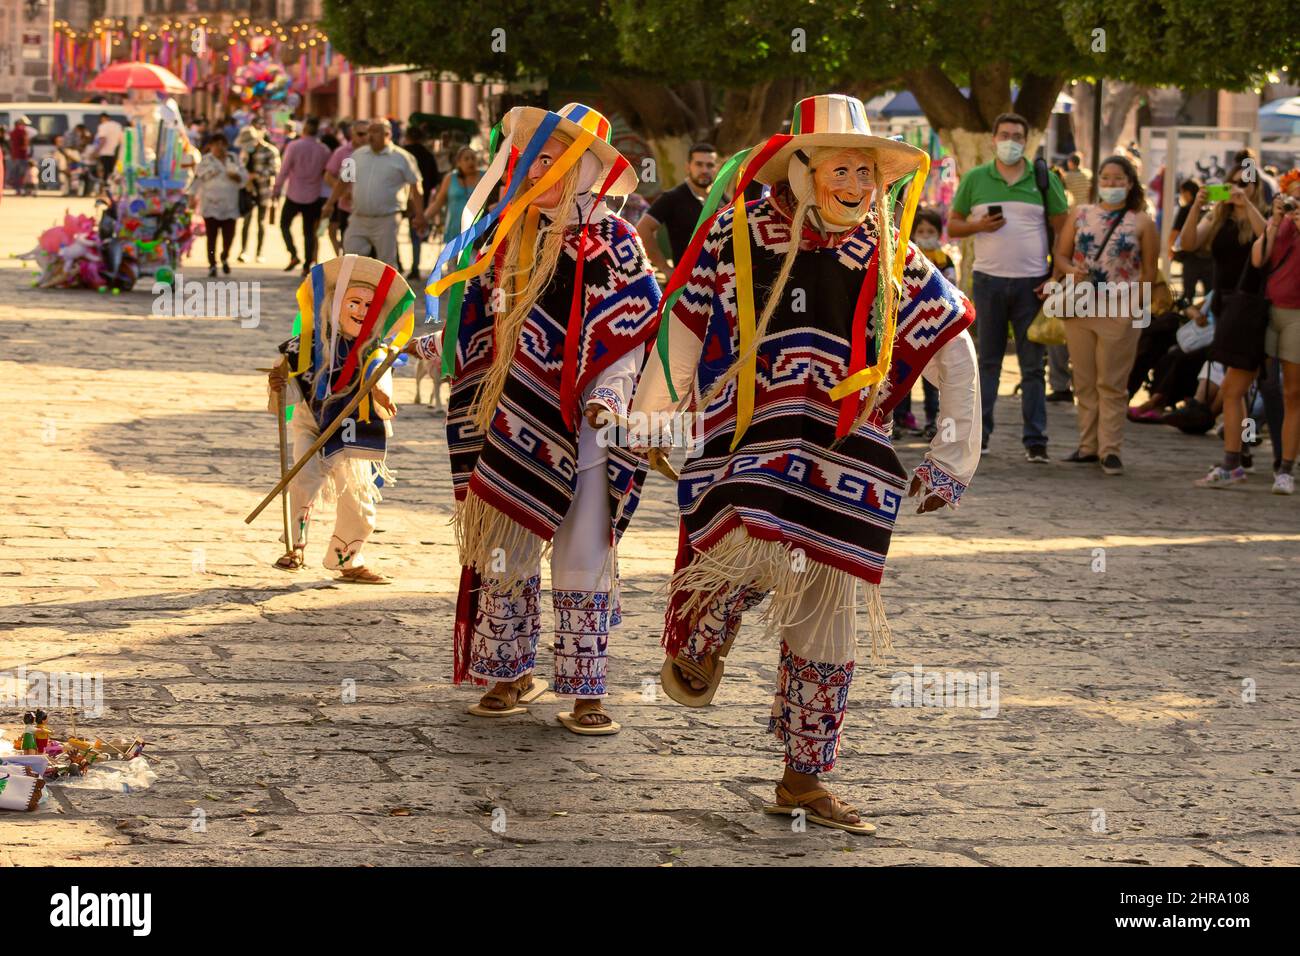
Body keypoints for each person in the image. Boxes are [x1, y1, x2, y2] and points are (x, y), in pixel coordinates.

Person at [633, 94, 979, 835]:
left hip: (846, 448)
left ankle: (805, 778)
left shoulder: (892, 255)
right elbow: (688, 318)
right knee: (748, 539)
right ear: (802, 169)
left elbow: (953, 345)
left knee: (829, 616)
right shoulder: (739, 236)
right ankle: (706, 625)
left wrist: (953, 456)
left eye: (866, 172)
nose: (855, 185)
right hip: (750, 432)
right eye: (840, 169)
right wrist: (656, 414)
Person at [408, 102, 660, 734]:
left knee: (582, 551)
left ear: (585, 169)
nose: (537, 168)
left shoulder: (618, 244)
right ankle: (505, 673)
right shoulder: (501, 236)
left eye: (552, 158)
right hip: (510, 417)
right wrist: (441, 347)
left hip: (587, 425)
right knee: (505, 546)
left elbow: (633, 333)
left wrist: (609, 393)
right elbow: (476, 317)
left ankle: (586, 690)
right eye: (533, 157)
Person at [266, 256, 415, 583]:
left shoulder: (375, 350)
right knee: (303, 478)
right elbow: (285, 389)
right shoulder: (306, 345)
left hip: (356, 431)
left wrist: (380, 393)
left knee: (359, 501)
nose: (362, 311)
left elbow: (379, 374)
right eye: (354, 302)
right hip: (313, 423)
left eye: (369, 305)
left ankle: (347, 559)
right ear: (335, 304)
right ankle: (294, 546)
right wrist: (277, 386)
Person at [948, 112, 1069, 462]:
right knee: (987, 362)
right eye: (1005, 134)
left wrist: (1055, 278)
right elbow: (953, 226)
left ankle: (1036, 441)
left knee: (1033, 367)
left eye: (1017, 135)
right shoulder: (975, 179)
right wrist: (979, 226)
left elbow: (1064, 230)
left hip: (1033, 285)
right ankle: (981, 436)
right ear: (993, 140)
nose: (1010, 141)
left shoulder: (1043, 179)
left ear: (1026, 140)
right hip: (988, 282)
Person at [1051, 155, 1158, 475]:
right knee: (1083, 380)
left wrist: (1135, 312)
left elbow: (1150, 271)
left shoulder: (1141, 221)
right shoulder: (1081, 214)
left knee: (1111, 382)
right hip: (1080, 305)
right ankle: (1088, 445)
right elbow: (1061, 255)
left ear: (1130, 183)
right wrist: (1072, 270)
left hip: (1119, 309)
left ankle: (1110, 449)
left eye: (1118, 179)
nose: (1111, 184)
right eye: (1106, 178)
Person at [1181, 160, 1271, 488]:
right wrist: (1196, 207)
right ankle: (1239, 450)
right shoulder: (1217, 217)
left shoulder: (1261, 215)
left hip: (1251, 306)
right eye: (1233, 183)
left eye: (1245, 183)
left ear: (1255, 187)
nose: (1238, 189)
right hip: (1224, 306)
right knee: (1237, 387)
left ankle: (1237, 454)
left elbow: (1270, 242)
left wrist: (1247, 205)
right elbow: (1188, 244)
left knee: (1241, 387)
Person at [1251, 174, 1300, 494]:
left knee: (1294, 392)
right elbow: (1258, 259)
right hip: (1268, 312)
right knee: (1265, 386)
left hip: (1297, 315)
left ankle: (1285, 468)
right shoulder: (1278, 224)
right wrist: (1273, 222)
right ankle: (1256, 451)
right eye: (1292, 198)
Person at [328, 120, 425, 268]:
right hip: (358, 218)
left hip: (386, 219)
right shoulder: (357, 155)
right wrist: (329, 204)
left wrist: (419, 214)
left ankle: (388, 291)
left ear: (387, 134)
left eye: (375, 132)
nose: (370, 136)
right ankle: (355, 290)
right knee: (350, 260)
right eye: (369, 132)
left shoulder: (402, 157)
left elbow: (416, 186)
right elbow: (343, 181)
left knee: (386, 264)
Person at [895, 206, 950, 437]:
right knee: (902, 372)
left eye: (931, 231)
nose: (926, 235)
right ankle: (899, 416)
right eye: (921, 230)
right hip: (906, 322)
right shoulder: (906, 257)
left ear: (939, 233)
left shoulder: (945, 260)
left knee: (932, 377)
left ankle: (932, 418)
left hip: (934, 325)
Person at [636, 143, 718, 275]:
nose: (704, 170)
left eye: (709, 165)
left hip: (720, 280)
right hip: (687, 283)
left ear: (716, 168)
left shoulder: (723, 198)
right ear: (688, 167)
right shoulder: (672, 198)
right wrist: (665, 268)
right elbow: (642, 229)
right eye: (699, 164)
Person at [274, 116, 332, 274]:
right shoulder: (323, 149)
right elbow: (327, 173)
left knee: (284, 224)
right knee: (309, 232)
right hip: (314, 194)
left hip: (294, 193)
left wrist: (277, 188)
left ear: (305, 128)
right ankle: (307, 265)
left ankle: (293, 254)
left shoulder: (294, 146)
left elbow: (284, 169)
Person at [187, 133, 248, 277]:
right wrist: (191, 197)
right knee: (212, 237)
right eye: (216, 144)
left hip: (230, 204)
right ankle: (212, 264)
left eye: (222, 144)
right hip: (210, 204)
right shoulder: (206, 161)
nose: (219, 148)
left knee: (229, 236)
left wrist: (237, 177)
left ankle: (225, 256)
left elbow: (244, 177)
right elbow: (197, 180)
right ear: (211, 146)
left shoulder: (233, 159)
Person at [235, 122, 281, 263]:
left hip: (264, 191)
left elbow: (275, 169)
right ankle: (243, 251)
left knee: (261, 222)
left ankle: (259, 253)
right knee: (246, 222)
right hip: (248, 191)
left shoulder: (270, 151)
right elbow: (240, 167)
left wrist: (257, 174)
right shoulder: (245, 152)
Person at [401, 125, 441, 279]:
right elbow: (434, 179)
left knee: (393, 230)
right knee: (416, 233)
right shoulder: (428, 155)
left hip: (402, 197)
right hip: (422, 198)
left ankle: (398, 262)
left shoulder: (403, 153)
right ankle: (415, 266)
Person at [424, 146, 482, 250]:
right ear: (458, 162)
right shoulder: (450, 178)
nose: (470, 161)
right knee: (453, 266)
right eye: (466, 159)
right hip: (454, 233)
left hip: (478, 234)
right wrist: (423, 218)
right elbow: (438, 203)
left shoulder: (485, 176)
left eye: (473, 158)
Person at [324, 120, 367, 257]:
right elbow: (329, 176)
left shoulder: (375, 154)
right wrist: (341, 193)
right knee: (349, 248)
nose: (365, 137)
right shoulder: (343, 153)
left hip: (370, 210)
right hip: (347, 208)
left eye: (368, 134)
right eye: (360, 134)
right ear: (352, 134)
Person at [1171, 178, 1214, 300]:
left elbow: (1175, 231)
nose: (1181, 196)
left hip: (1191, 258)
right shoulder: (1209, 210)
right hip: (1208, 259)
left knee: (1188, 294)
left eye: (1182, 192)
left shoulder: (1186, 209)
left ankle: (1187, 316)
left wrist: (1171, 248)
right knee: (1209, 295)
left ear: (1187, 192)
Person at [92, 113, 123, 186]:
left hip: (105, 153)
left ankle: (106, 189)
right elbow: (121, 139)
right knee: (115, 171)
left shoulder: (103, 126)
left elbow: (103, 140)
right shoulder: (117, 125)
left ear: (102, 119)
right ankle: (113, 187)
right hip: (116, 152)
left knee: (105, 171)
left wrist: (96, 151)